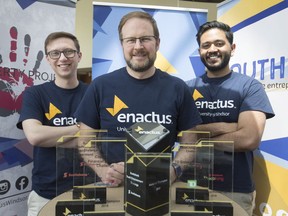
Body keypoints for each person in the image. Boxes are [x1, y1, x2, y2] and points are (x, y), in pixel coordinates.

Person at [74, 11, 202, 187]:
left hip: (160, 188)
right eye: (131, 40)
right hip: (114, 188)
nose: (138, 46)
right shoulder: (100, 86)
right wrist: (105, 172)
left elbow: (190, 145)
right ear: (122, 44)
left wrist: (173, 171)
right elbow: (85, 141)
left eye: (145, 39)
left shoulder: (178, 88)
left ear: (157, 43)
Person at [186, 20, 275, 215]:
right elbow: (181, 134)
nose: (212, 49)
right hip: (189, 186)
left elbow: (249, 139)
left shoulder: (249, 87)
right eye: (206, 45)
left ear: (232, 48)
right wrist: (232, 127)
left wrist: (198, 136)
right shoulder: (186, 88)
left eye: (219, 43)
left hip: (235, 189)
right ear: (200, 51)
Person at [16, 32, 88, 216]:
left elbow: (102, 137)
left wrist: (53, 136)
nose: (62, 58)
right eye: (55, 53)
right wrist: (82, 129)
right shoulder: (35, 94)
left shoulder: (94, 94)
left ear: (79, 56)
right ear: (48, 59)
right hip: (46, 195)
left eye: (69, 52)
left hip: (89, 192)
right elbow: (35, 136)